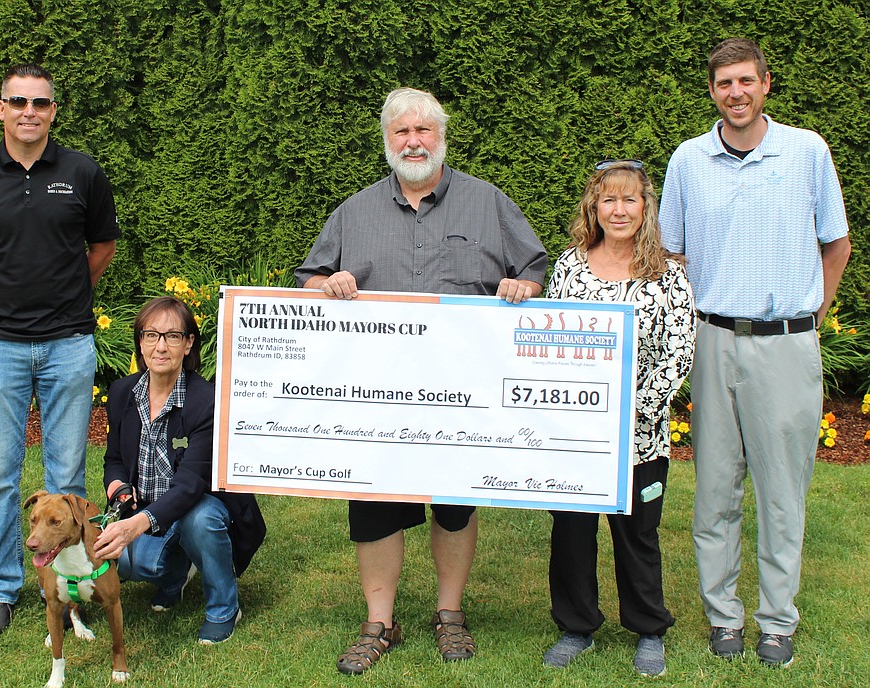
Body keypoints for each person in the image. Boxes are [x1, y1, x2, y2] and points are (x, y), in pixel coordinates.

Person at [295, 86, 548, 674]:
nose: (413, 141)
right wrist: (325, 285)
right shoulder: (353, 212)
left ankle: (450, 614)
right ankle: (379, 622)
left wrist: (524, 287)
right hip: (376, 394)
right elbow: (308, 280)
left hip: (464, 392)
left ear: (441, 137)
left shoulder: (488, 203)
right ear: (387, 141)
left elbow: (533, 268)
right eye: (401, 132)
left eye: (423, 131)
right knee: (376, 505)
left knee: (455, 504)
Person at [659, 38, 851, 667]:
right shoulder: (688, 160)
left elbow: (835, 244)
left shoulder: (806, 152)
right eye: (723, 84)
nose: (735, 94)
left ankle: (776, 621)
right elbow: (673, 253)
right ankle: (724, 616)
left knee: (781, 492)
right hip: (712, 339)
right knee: (715, 489)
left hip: (787, 343)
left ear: (767, 83)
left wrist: (810, 316)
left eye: (746, 81)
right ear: (712, 92)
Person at [0, 63, 120, 636]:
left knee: (67, 477)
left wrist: (64, 300)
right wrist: (0, 302)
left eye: (40, 102)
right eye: (17, 101)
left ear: (53, 111)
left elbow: (101, 246)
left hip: (69, 343)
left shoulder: (82, 172)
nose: (29, 111)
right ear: (0, 108)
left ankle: (68, 584)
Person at [542, 160, 694, 676]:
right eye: (610, 199)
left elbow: (677, 351)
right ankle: (576, 626)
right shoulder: (570, 266)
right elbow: (549, 343)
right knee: (572, 530)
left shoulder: (669, 274)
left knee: (638, 534)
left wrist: (635, 412)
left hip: (639, 435)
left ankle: (649, 629)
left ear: (646, 207)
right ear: (594, 207)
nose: (620, 210)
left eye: (630, 200)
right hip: (577, 432)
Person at [92, 296, 265, 645]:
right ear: (140, 342)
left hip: (199, 505)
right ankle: (174, 577)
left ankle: (223, 608)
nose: (160, 346)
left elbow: (190, 486)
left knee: (198, 519)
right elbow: (113, 459)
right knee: (128, 565)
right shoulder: (123, 392)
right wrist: (119, 491)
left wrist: (132, 527)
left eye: (172, 336)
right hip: (145, 508)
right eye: (151, 335)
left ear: (188, 344)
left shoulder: (207, 400)